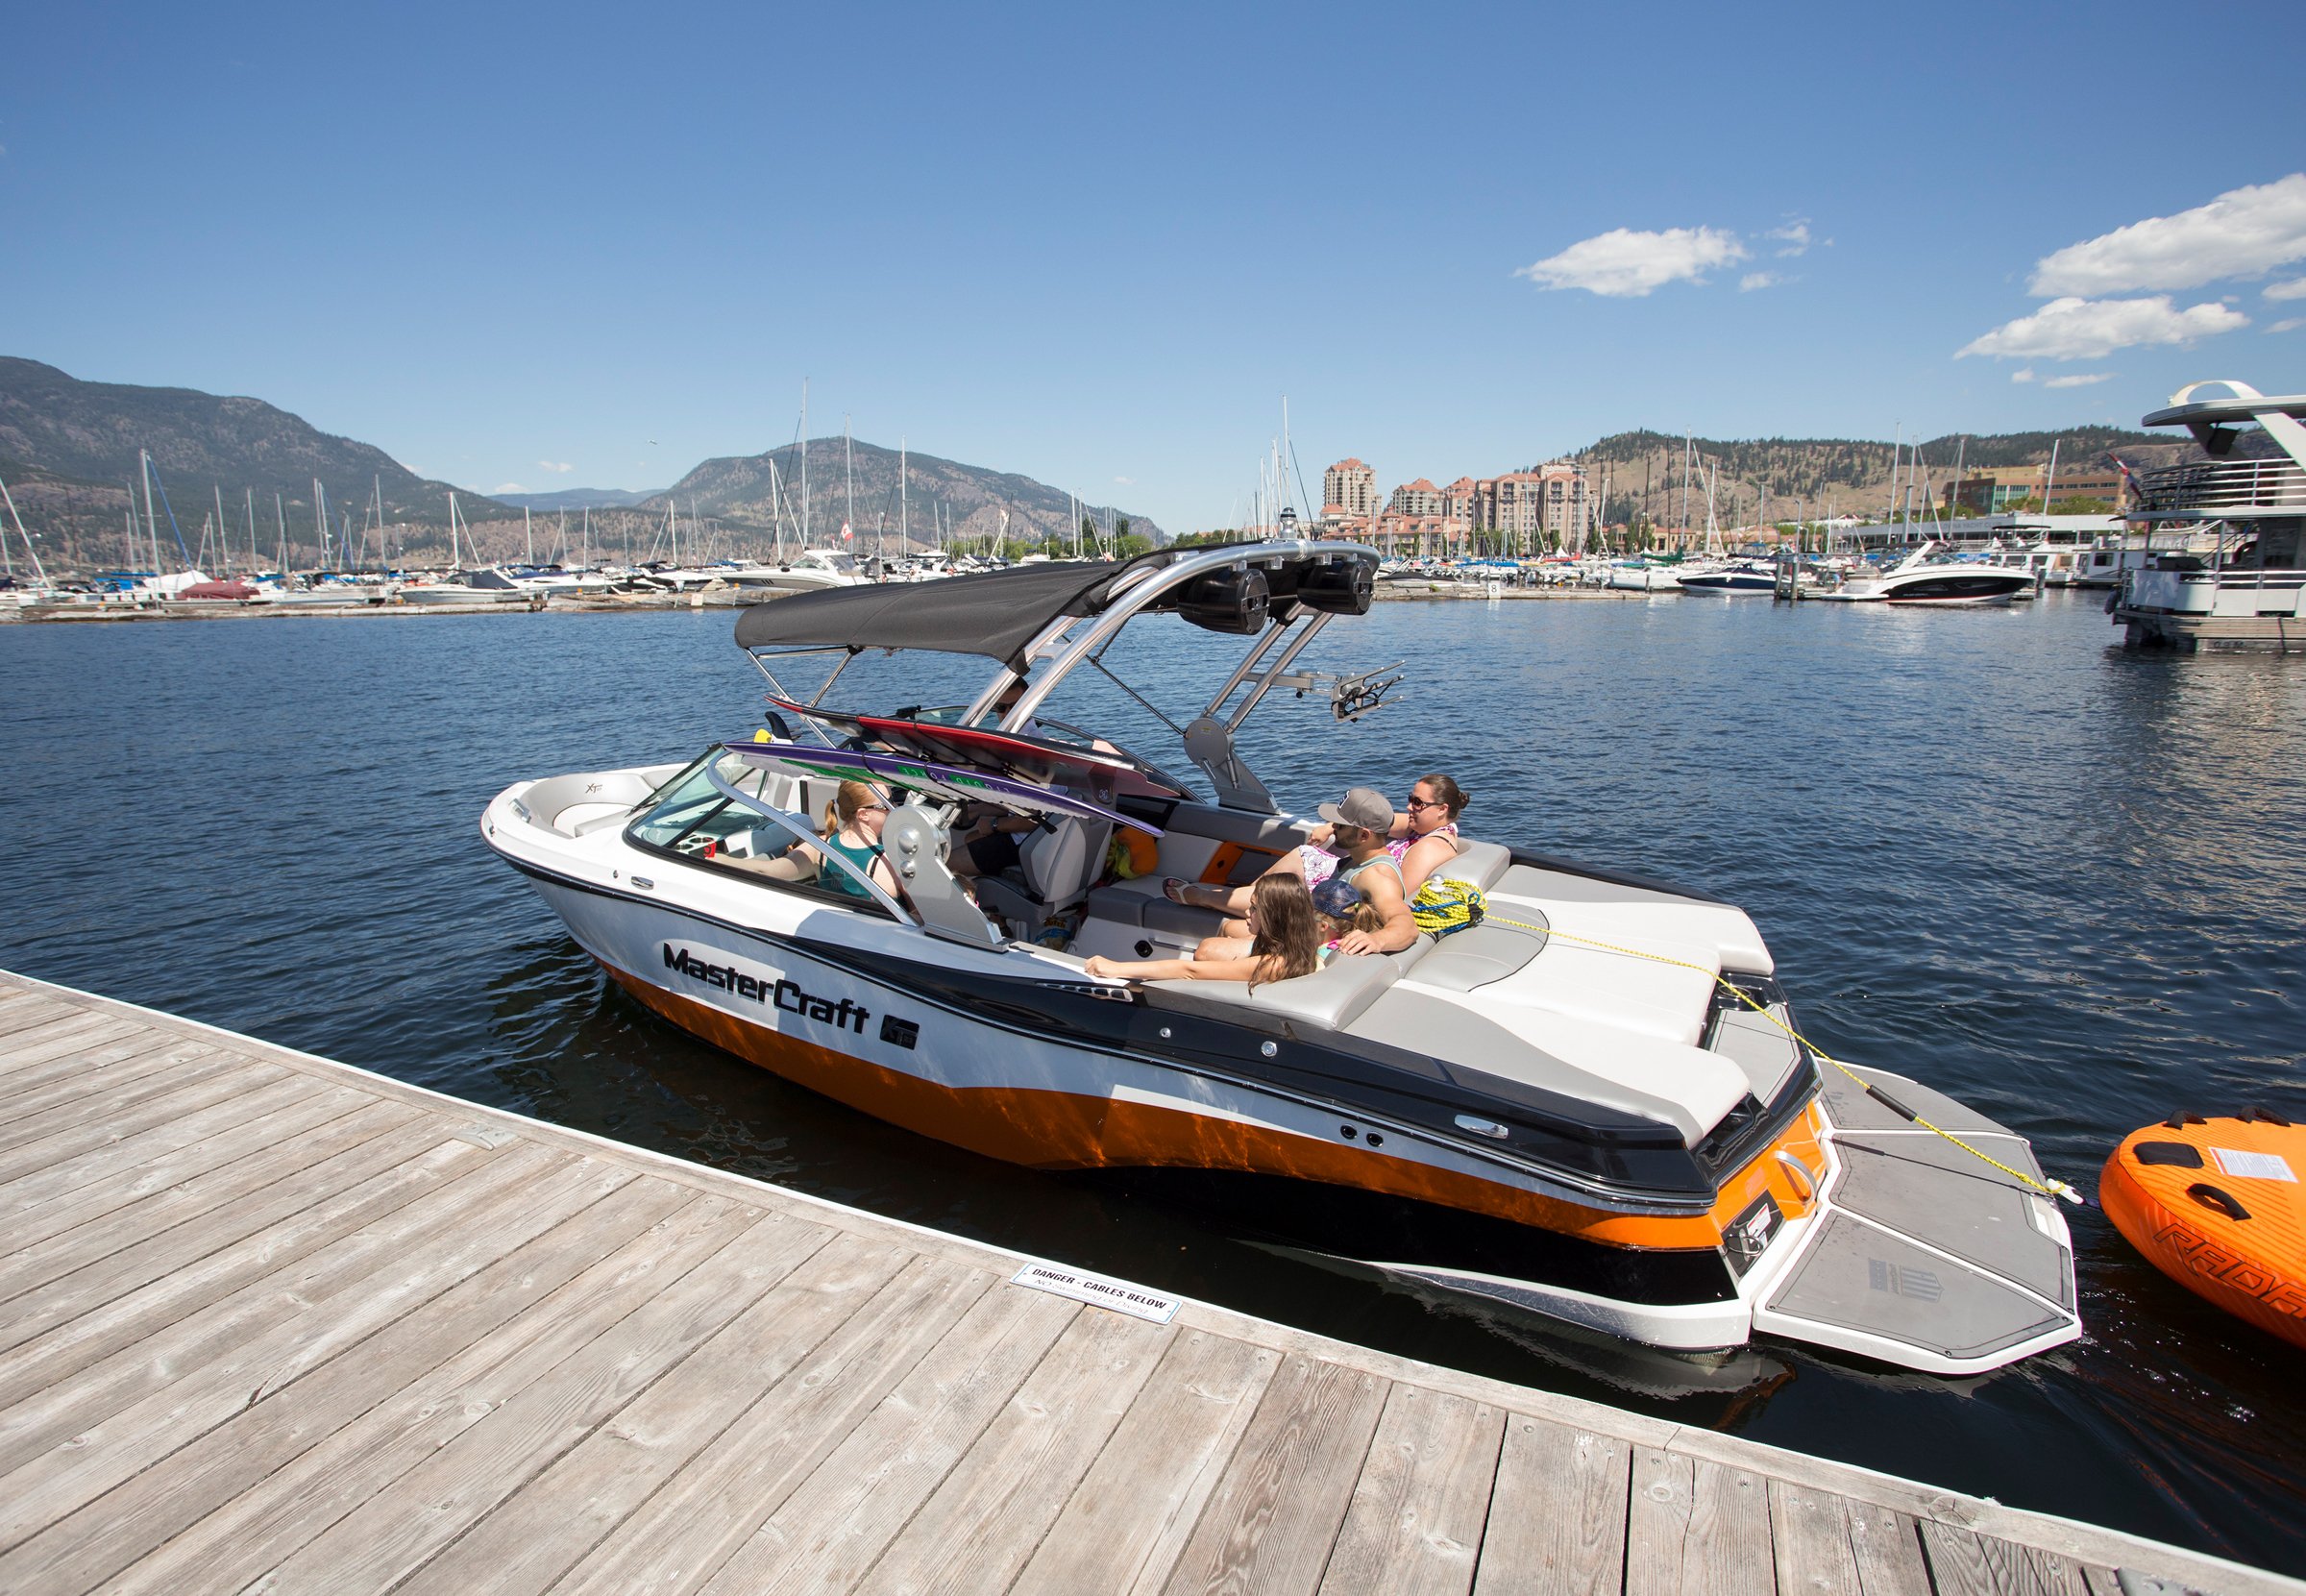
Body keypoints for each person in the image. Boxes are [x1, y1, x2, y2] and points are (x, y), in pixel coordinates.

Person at [1175, 787, 1419, 958]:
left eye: (1340, 825)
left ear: (1363, 835)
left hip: (1314, 945)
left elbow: (1405, 925)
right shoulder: (1359, 857)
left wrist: (1376, 941)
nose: (1332, 828)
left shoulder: (1378, 876)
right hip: (1310, 929)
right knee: (1229, 928)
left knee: (1208, 949)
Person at [1084, 874, 1320, 987]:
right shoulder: (1301, 943)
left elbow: (1189, 971)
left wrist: (1115, 968)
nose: (1248, 912)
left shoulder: (1273, 964)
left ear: (1275, 917)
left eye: (1255, 908)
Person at [804, 780, 904, 900]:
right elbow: (923, 915)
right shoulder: (890, 862)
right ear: (863, 814)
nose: (895, 807)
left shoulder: (820, 847)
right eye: (887, 804)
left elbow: (776, 871)